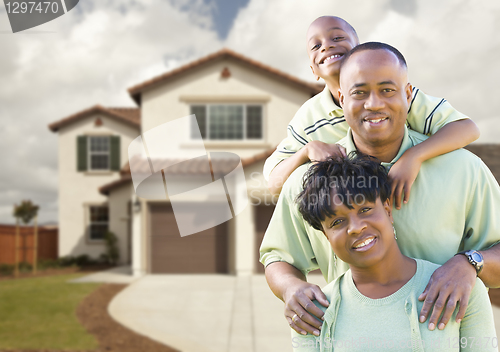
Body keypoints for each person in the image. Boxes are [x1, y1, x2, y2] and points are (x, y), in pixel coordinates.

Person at [260, 42, 500, 338]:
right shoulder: (309, 181)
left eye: (387, 90)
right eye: (359, 92)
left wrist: (470, 264)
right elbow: (278, 257)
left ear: (408, 94)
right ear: (340, 97)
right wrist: (291, 288)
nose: (373, 104)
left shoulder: (464, 169)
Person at [264, 16, 479, 212]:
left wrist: (414, 156)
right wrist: (306, 151)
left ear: (360, 49)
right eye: (316, 45)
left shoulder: (397, 98)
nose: (327, 46)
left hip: (416, 201)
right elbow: (273, 184)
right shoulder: (309, 118)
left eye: (337, 37)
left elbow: (467, 129)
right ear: (313, 70)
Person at [291, 154, 497, 352]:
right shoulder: (312, 312)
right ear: (327, 237)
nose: (355, 227)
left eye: (365, 210)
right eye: (336, 222)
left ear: (388, 211)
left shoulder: (459, 288)